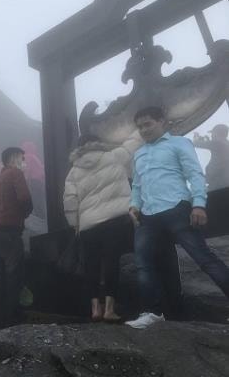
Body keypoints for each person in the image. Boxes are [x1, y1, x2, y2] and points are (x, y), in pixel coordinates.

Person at [126, 106, 229, 329]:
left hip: (177, 208)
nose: (144, 130)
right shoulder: (139, 154)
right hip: (148, 216)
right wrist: (134, 205)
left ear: (162, 122)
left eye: (148, 124)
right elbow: (136, 185)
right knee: (144, 265)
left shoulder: (179, 143)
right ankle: (152, 312)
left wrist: (199, 204)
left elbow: (194, 173)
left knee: (205, 259)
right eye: (140, 126)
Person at [63, 131, 142, 322]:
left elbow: (69, 200)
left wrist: (75, 224)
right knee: (111, 263)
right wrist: (138, 129)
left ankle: (95, 309)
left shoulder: (73, 171)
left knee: (91, 266)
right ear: (99, 143)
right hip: (114, 220)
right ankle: (109, 310)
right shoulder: (113, 156)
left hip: (88, 226)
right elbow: (132, 144)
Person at [0, 147, 33, 327]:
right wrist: (24, 213)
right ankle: (13, 317)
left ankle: (0, 318)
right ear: (13, 158)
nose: (24, 161)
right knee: (14, 273)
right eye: (22, 157)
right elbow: (24, 198)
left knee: (1, 276)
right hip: (12, 229)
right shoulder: (15, 173)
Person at [193, 124, 229, 191]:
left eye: (212, 133)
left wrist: (196, 136)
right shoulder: (225, 143)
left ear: (216, 133)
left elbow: (196, 143)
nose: (211, 135)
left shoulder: (218, 143)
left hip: (219, 185)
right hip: (222, 183)